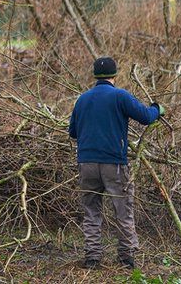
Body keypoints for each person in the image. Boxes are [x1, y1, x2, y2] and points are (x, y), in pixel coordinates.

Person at [68, 56, 164, 269]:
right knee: (123, 210)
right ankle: (126, 258)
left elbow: (73, 132)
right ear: (114, 75)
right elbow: (146, 117)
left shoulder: (82, 99)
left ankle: (92, 258)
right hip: (114, 164)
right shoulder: (120, 96)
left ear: (95, 75)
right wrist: (158, 109)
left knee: (91, 211)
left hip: (87, 163)